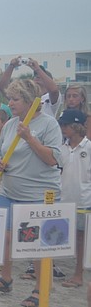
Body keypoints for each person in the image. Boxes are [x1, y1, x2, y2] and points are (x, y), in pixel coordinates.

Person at [0, 79, 63, 307]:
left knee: (37, 242)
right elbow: (0, 153)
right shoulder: (9, 125)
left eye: (15, 99)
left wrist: (29, 138)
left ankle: (40, 287)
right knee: (4, 237)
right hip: (9, 190)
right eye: (10, 98)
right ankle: (5, 278)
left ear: (29, 101)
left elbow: (52, 159)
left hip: (38, 192)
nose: (10, 103)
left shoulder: (48, 124)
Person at [58, 109, 90, 288]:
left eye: (66, 125)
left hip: (83, 200)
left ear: (76, 126)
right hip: (63, 199)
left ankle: (78, 274)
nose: (62, 127)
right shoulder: (62, 148)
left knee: (80, 239)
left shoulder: (89, 147)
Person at [0, 56, 61, 120]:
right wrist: (11, 66)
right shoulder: (24, 95)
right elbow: (3, 88)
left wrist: (37, 69)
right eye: (36, 75)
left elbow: (54, 90)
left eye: (41, 75)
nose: (38, 76)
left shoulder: (50, 99)